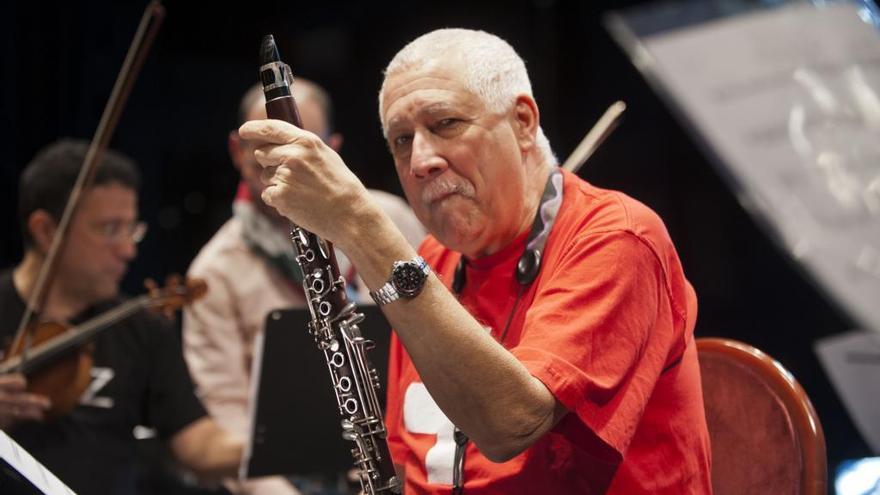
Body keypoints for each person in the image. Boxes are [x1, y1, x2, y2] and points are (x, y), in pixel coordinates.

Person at [239, 28, 712, 493]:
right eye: (402, 140)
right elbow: (410, 464)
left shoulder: (616, 237)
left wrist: (362, 225)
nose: (422, 160)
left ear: (524, 122)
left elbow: (513, 423)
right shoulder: (431, 259)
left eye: (446, 124)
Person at [182, 78, 425, 495]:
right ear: (236, 151)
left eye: (301, 143)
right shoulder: (213, 272)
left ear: (331, 148)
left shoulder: (391, 220)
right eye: (264, 144)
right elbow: (231, 421)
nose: (281, 160)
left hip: (409, 460)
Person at [0, 139, 243, 494]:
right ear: (46, 230)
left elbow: (198, 444)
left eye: (132, 230)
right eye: (110, 229)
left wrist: (284, 441)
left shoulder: (141, 327)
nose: (128, 250)